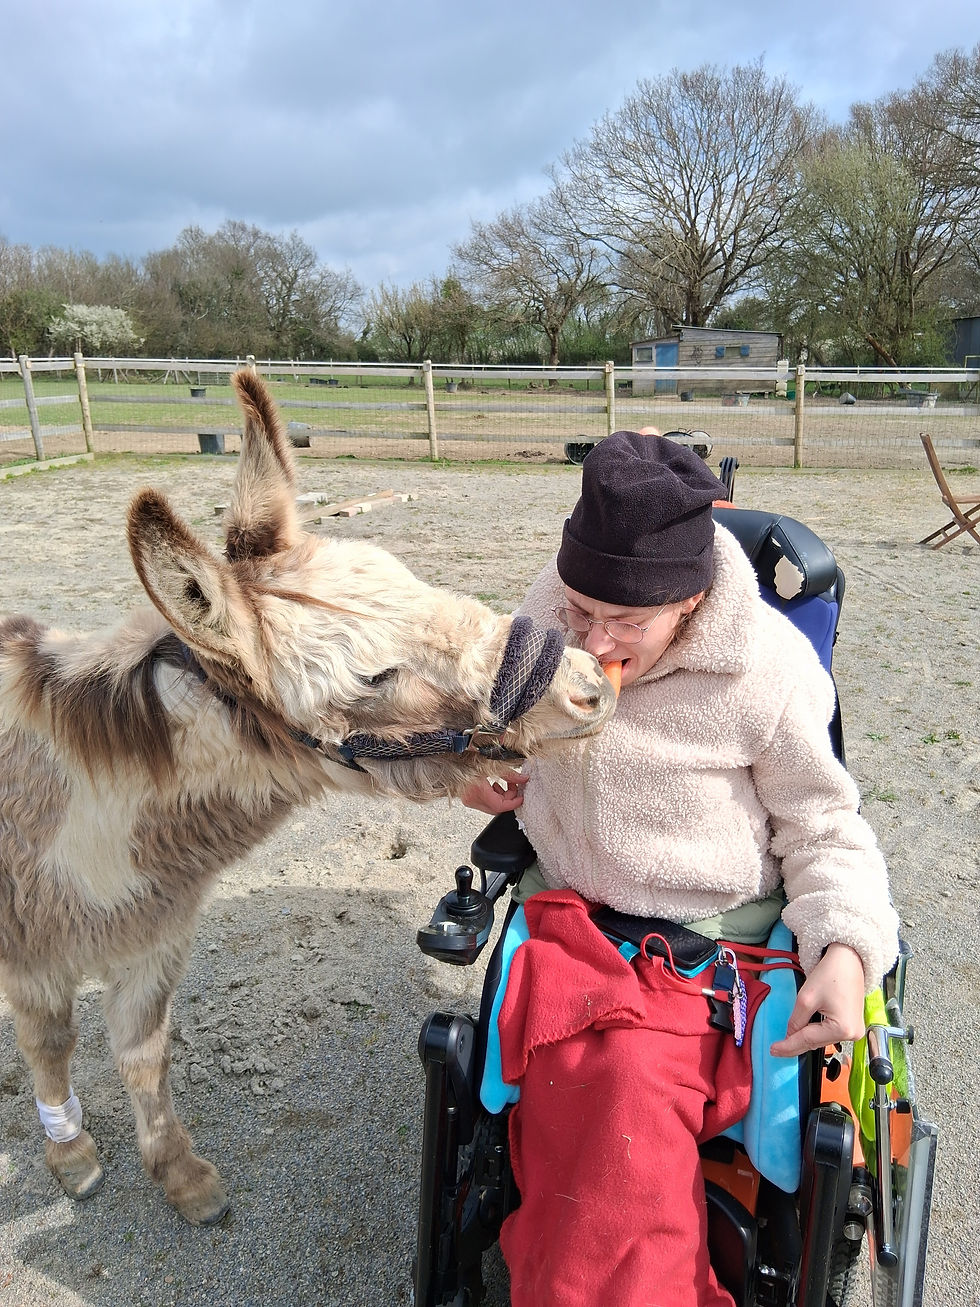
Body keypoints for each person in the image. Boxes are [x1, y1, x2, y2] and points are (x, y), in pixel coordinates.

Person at [461, 431, 899, 1307]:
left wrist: (848, 949)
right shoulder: (545, 622)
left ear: (691, 599)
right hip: (571, 917)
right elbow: (493, 736)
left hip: (710, 945)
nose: (595, 638)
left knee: (619, 1102)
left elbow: (824, 822)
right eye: (583, 608)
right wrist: (485, 773)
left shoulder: (767, 673)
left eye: (627, 623)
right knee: (589, 1102)